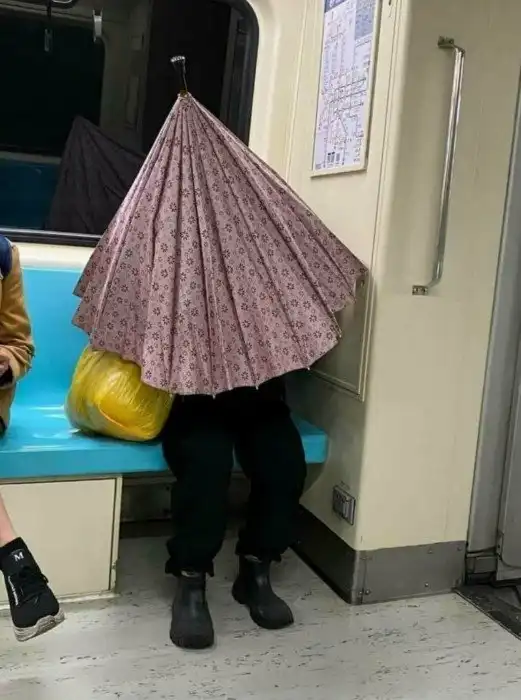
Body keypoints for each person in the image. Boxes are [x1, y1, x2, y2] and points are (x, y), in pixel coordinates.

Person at [162, 376, 307, 650]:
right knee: (205, 469)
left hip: (259, 392)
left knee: (284, 464)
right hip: (195, 397)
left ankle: (256, 569)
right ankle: (191, 580)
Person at [0, 237, 64, 642]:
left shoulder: (2, 257)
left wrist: (4, 363)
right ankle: (17, 563)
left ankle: (17, 563)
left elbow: (20, 347)